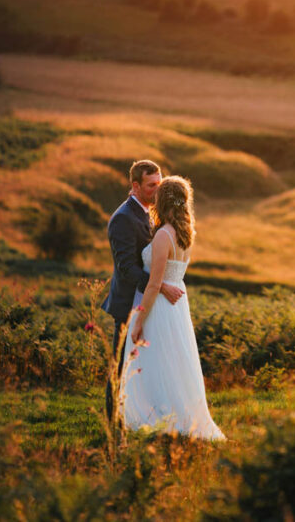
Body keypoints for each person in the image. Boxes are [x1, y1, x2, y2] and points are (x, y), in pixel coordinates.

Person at [119, 174, 225, 440]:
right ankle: (177, 415)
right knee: (173, 360)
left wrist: (139, 320)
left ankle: (162, 417)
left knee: (156, 360)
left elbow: (154, 284)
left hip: (160, 306)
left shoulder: (164, 236)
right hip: (177, 305)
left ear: (161, 201)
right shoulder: (185, 234)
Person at [102, 160, 185, 421]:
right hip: (128, 303)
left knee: (145, 365)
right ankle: (112, 420)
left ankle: (142, 415)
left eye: (159, 184)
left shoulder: (150, 213)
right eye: (151, 186)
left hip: (148, 301)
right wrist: (160, 287)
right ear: (135, 186)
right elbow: (127, 268)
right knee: (120, 366)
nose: (157, 190)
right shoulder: (123, 219)